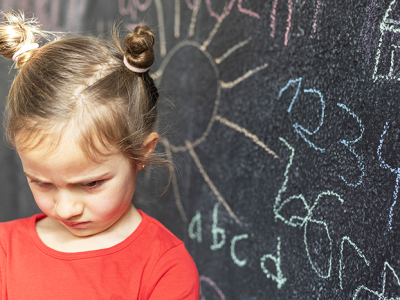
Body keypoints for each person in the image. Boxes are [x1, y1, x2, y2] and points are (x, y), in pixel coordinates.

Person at [0, 11, 199, 299]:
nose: (66, 209)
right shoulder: (5, 250)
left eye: (91, 184)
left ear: (141, 153)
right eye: (42, 183)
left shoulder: (164, 268)